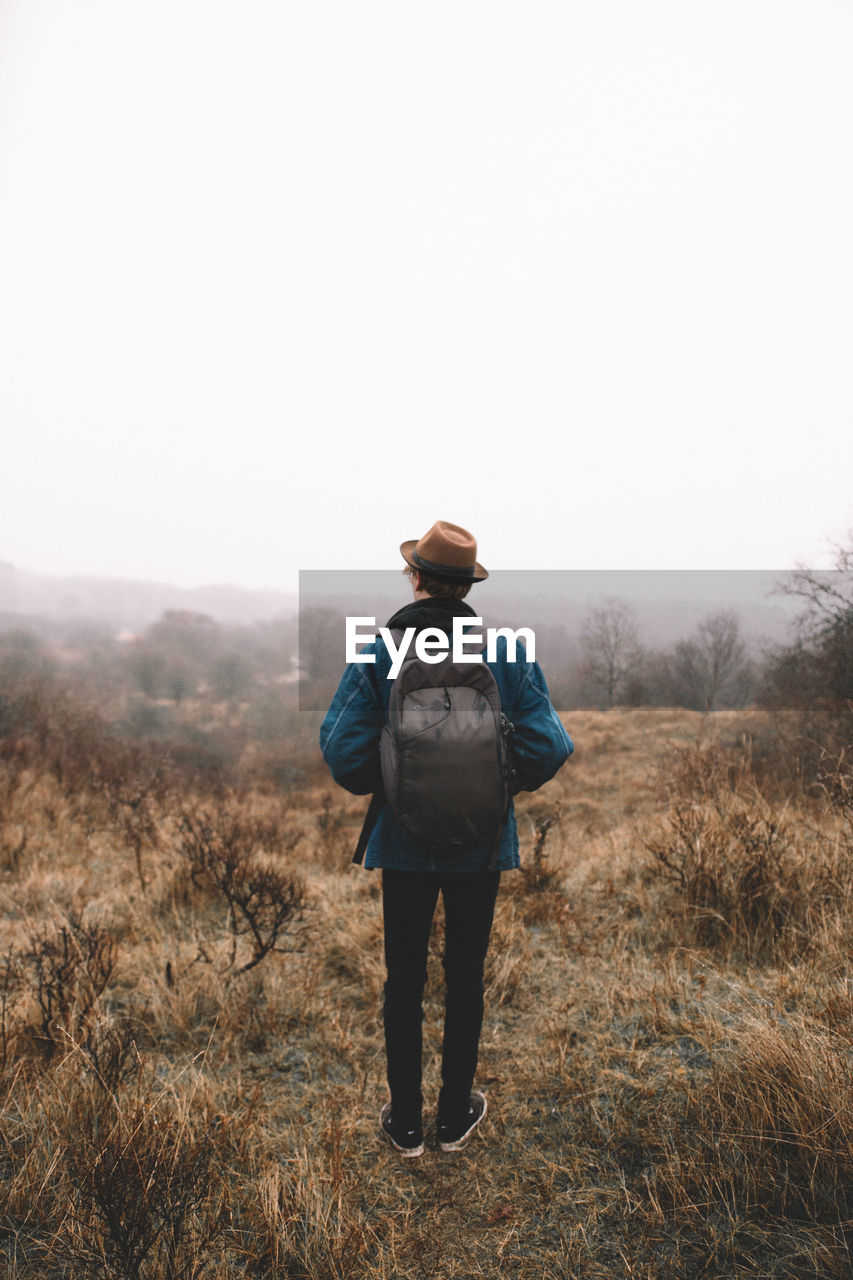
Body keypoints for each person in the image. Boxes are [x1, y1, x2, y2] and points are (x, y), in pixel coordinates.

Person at [319, 520, 573, 1156]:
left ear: (415, 578)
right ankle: (455, 1117)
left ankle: (406, 1124)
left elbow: (342, 753)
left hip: (401, 844)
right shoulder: (508, 653)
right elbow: (551, 746)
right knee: (465, 975)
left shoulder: (381, 653)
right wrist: (490, 785)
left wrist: (401, 778)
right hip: (481, 844)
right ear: (465, 588)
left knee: (401, 980)